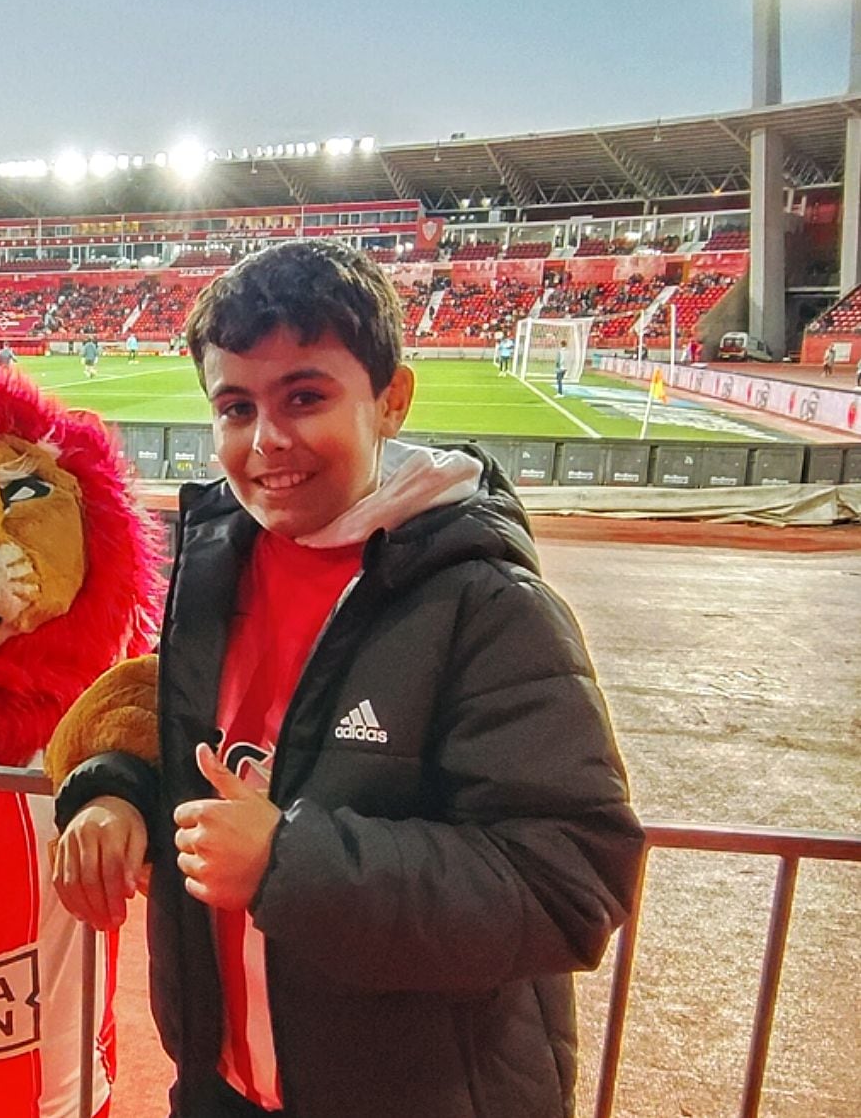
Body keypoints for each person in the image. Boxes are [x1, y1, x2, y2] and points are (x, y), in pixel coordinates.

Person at [48, 240, 642, 1118]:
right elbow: (204, 750)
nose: (268, 440)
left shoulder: (487, 603)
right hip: (220, 1088)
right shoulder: (215, 568)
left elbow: (570, 879)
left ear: (391, 399)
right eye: (237, 407)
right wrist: (115, 794)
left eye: (305, 396)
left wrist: (289, 860)